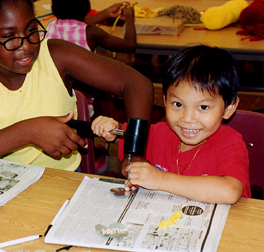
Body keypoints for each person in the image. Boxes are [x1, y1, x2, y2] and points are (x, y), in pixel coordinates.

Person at [0, 0, 153, 175]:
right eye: (9, 37)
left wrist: (134, 151)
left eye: (31, 30)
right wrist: (26, 132)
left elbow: (137, 83)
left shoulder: (56, 55)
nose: (27, 46)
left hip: (60, 183)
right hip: (1, 185)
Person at [91, 45, 251, 204]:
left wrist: (160, 180)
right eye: (178, 104)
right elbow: (125, 136)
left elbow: (229, 191)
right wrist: (111, 129)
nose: (187, 118)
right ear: (165, 101)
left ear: (229, 108)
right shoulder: (156, 133)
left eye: (203, 107)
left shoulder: (230, 143)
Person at [46, 0, 136, 53]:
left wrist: (106, 13)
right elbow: (129, 46)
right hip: (82, 84)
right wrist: (130, 17)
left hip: (55, 82)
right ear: (88, 7)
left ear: (53, 9)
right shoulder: (92, 33)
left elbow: (74, 24)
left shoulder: (51, 26)